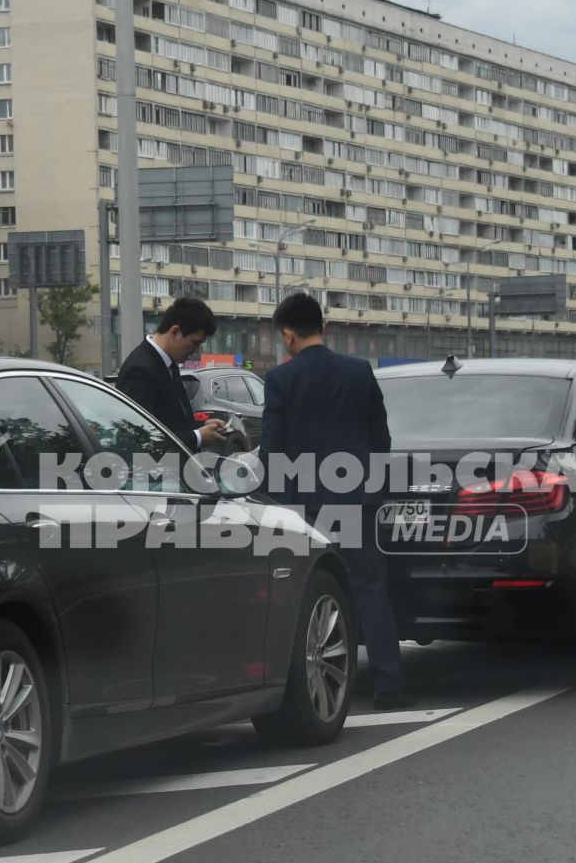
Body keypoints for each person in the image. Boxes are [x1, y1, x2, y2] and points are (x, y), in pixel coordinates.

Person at [258, 292, 410, 710]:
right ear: (322, 327)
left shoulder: (281, 380)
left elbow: (271, 451)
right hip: (357, 501)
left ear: (288, 335)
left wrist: (278, 502)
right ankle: (389, 686)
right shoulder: (359, 372)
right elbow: (382, 440)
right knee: (370, 590)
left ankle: (310, 683)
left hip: (304, 508)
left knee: (306, 594)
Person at [114, 297, 231, 455]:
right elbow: (140, 438)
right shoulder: (139, 370)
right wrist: (197, 437)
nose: (196, 350)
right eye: (195, 342)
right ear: (175, 332)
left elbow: (171, 423)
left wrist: (202, 425)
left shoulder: (168, 363)